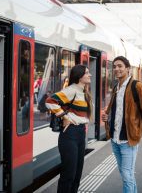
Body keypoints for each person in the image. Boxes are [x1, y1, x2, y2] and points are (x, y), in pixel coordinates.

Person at [101, 56, 142, 193]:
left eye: (120, 66)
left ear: (128, 68)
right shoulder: (117, 87)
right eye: (114, 66)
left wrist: (139, 129)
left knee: (127, 175)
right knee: (125, 174)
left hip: (128, 141)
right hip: (115, 139)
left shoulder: (136, 86)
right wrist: (107, 116)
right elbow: (117, 110)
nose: (116, 69)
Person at [45, 65, 92, 193]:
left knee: (77, 174)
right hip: (70, 135)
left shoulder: (83, 91)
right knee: (68, 175)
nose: (90, 75)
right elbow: (50, 101)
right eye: (87, 73)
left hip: (80, 134)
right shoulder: (72, 90)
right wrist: (63, 116)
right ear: (79, 76)